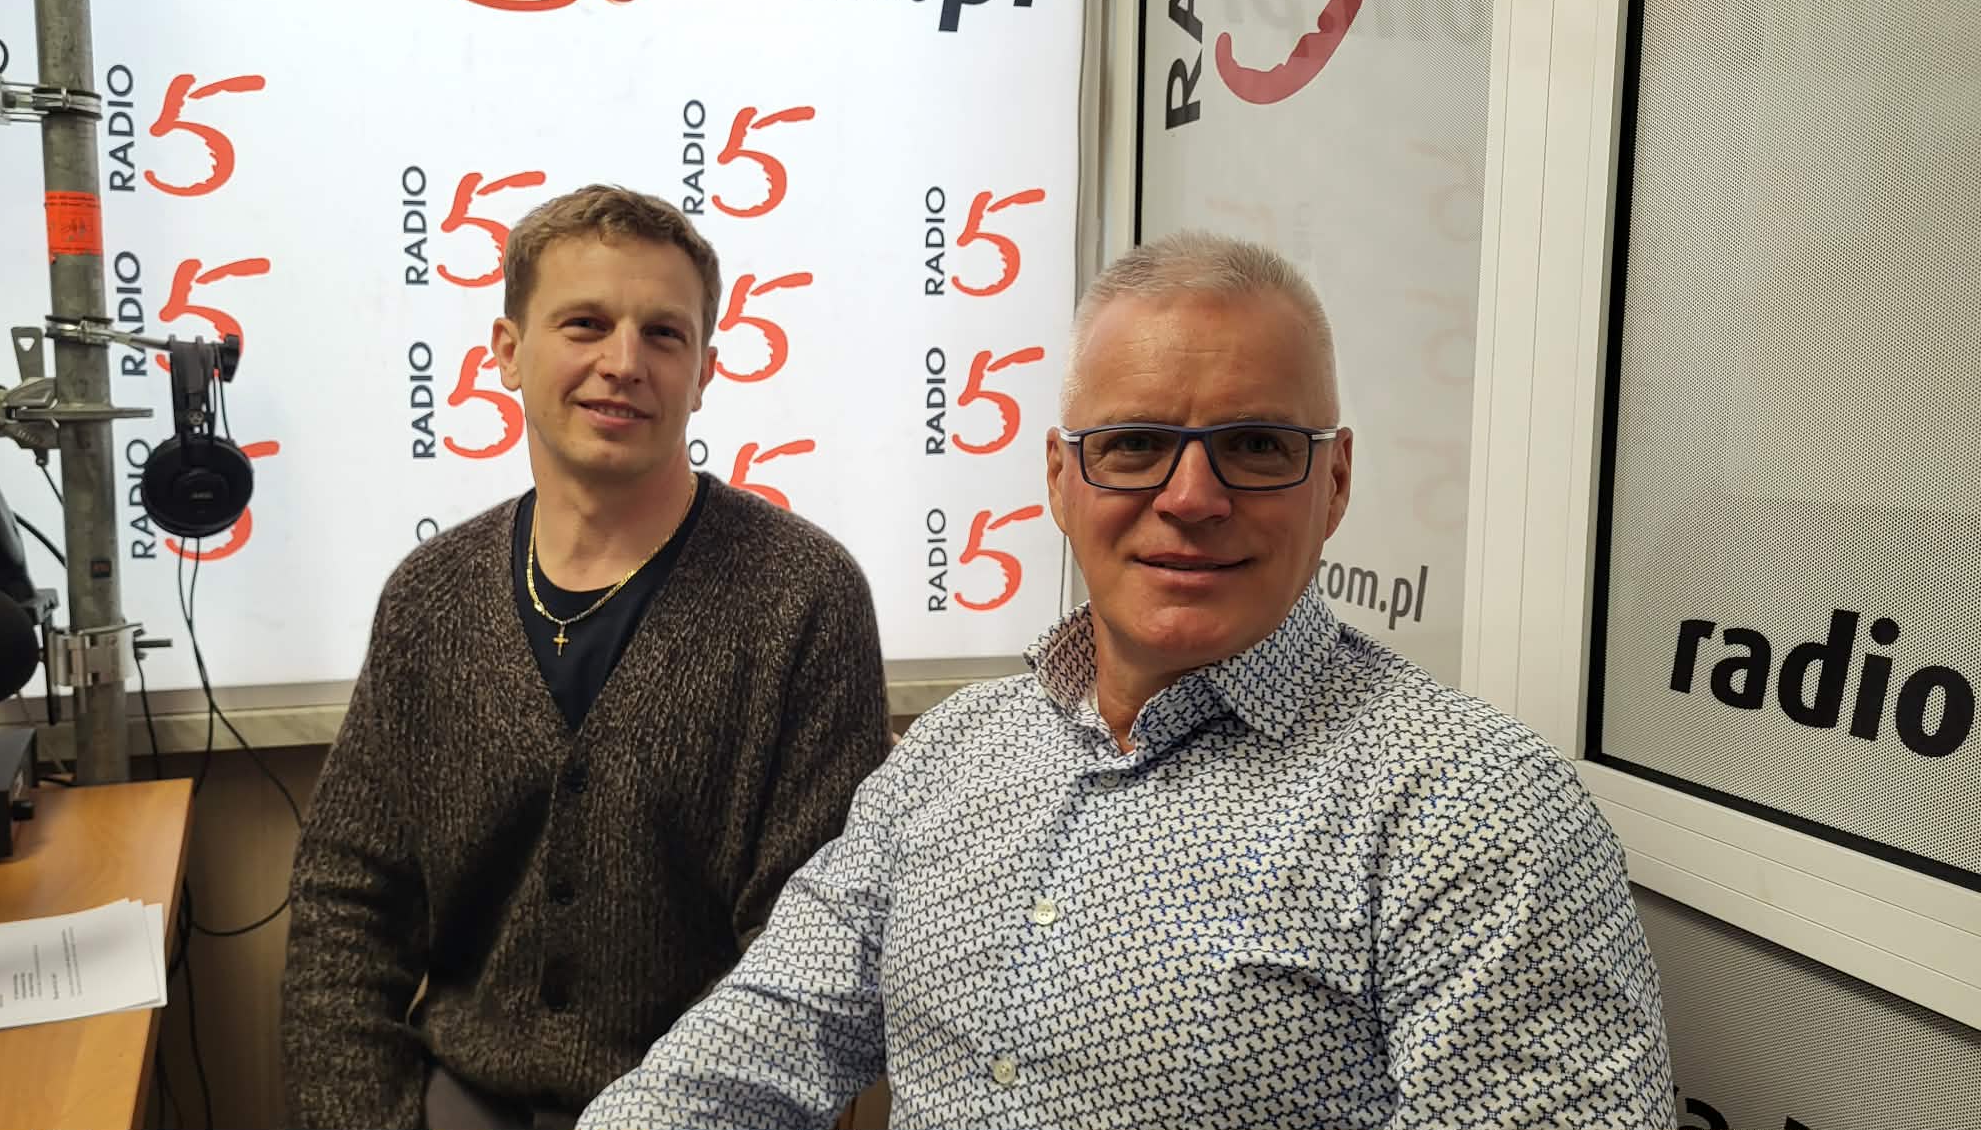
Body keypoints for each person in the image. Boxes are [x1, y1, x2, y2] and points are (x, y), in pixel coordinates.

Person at [577, 231, 1675, 1129]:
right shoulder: (956, 751)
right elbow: (758, 1041)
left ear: (1334, 481)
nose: (1190, 497)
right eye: (1135, 444)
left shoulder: (1476, 811)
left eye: (1256, 446)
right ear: (1061, 480)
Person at [279, 185, 892, 1129]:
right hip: (462, 1102)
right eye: (585, 324)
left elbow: (810, 958)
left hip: (707, 1111)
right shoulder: (428, 599)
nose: (623, 363)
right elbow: (346, 908)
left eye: (663, 334)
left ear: (704, 370)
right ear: (507, 351)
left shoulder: (804, 599)